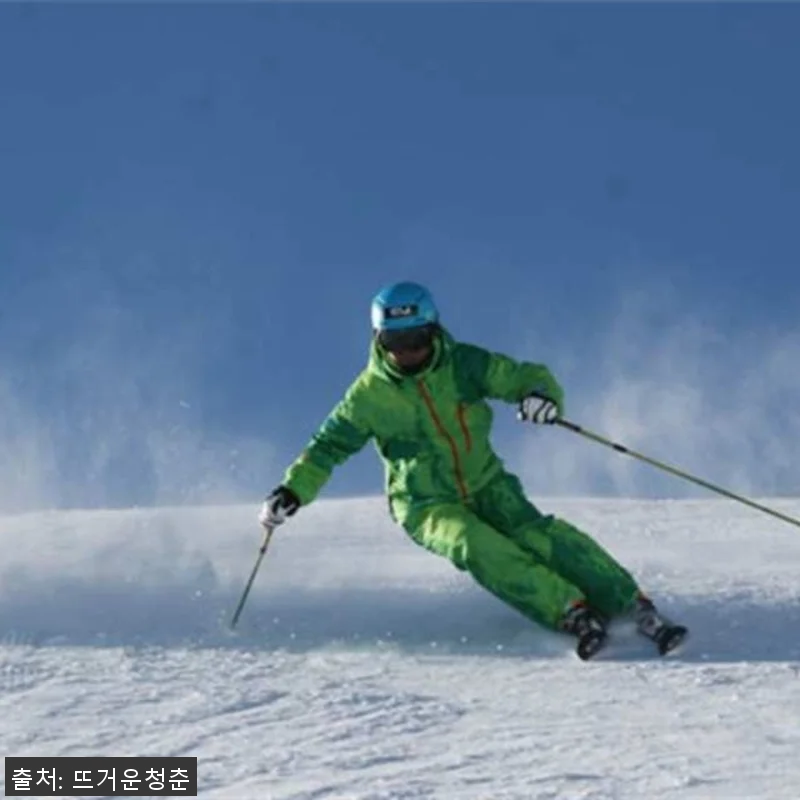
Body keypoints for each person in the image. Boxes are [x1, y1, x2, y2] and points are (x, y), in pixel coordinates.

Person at [259, 281, 686, 660]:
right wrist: (292, 490)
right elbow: (327, 447)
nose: (408, 353)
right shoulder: (367, 396)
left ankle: (631, 605)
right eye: (395, 342)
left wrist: (540, 396)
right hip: (425, 502)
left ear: (433, 330)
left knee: (539, 536)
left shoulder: (464, 365)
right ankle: (570, 612)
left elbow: (524, 377)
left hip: (487, 483)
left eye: (417, 339)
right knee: (472, 542)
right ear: (378, 339)